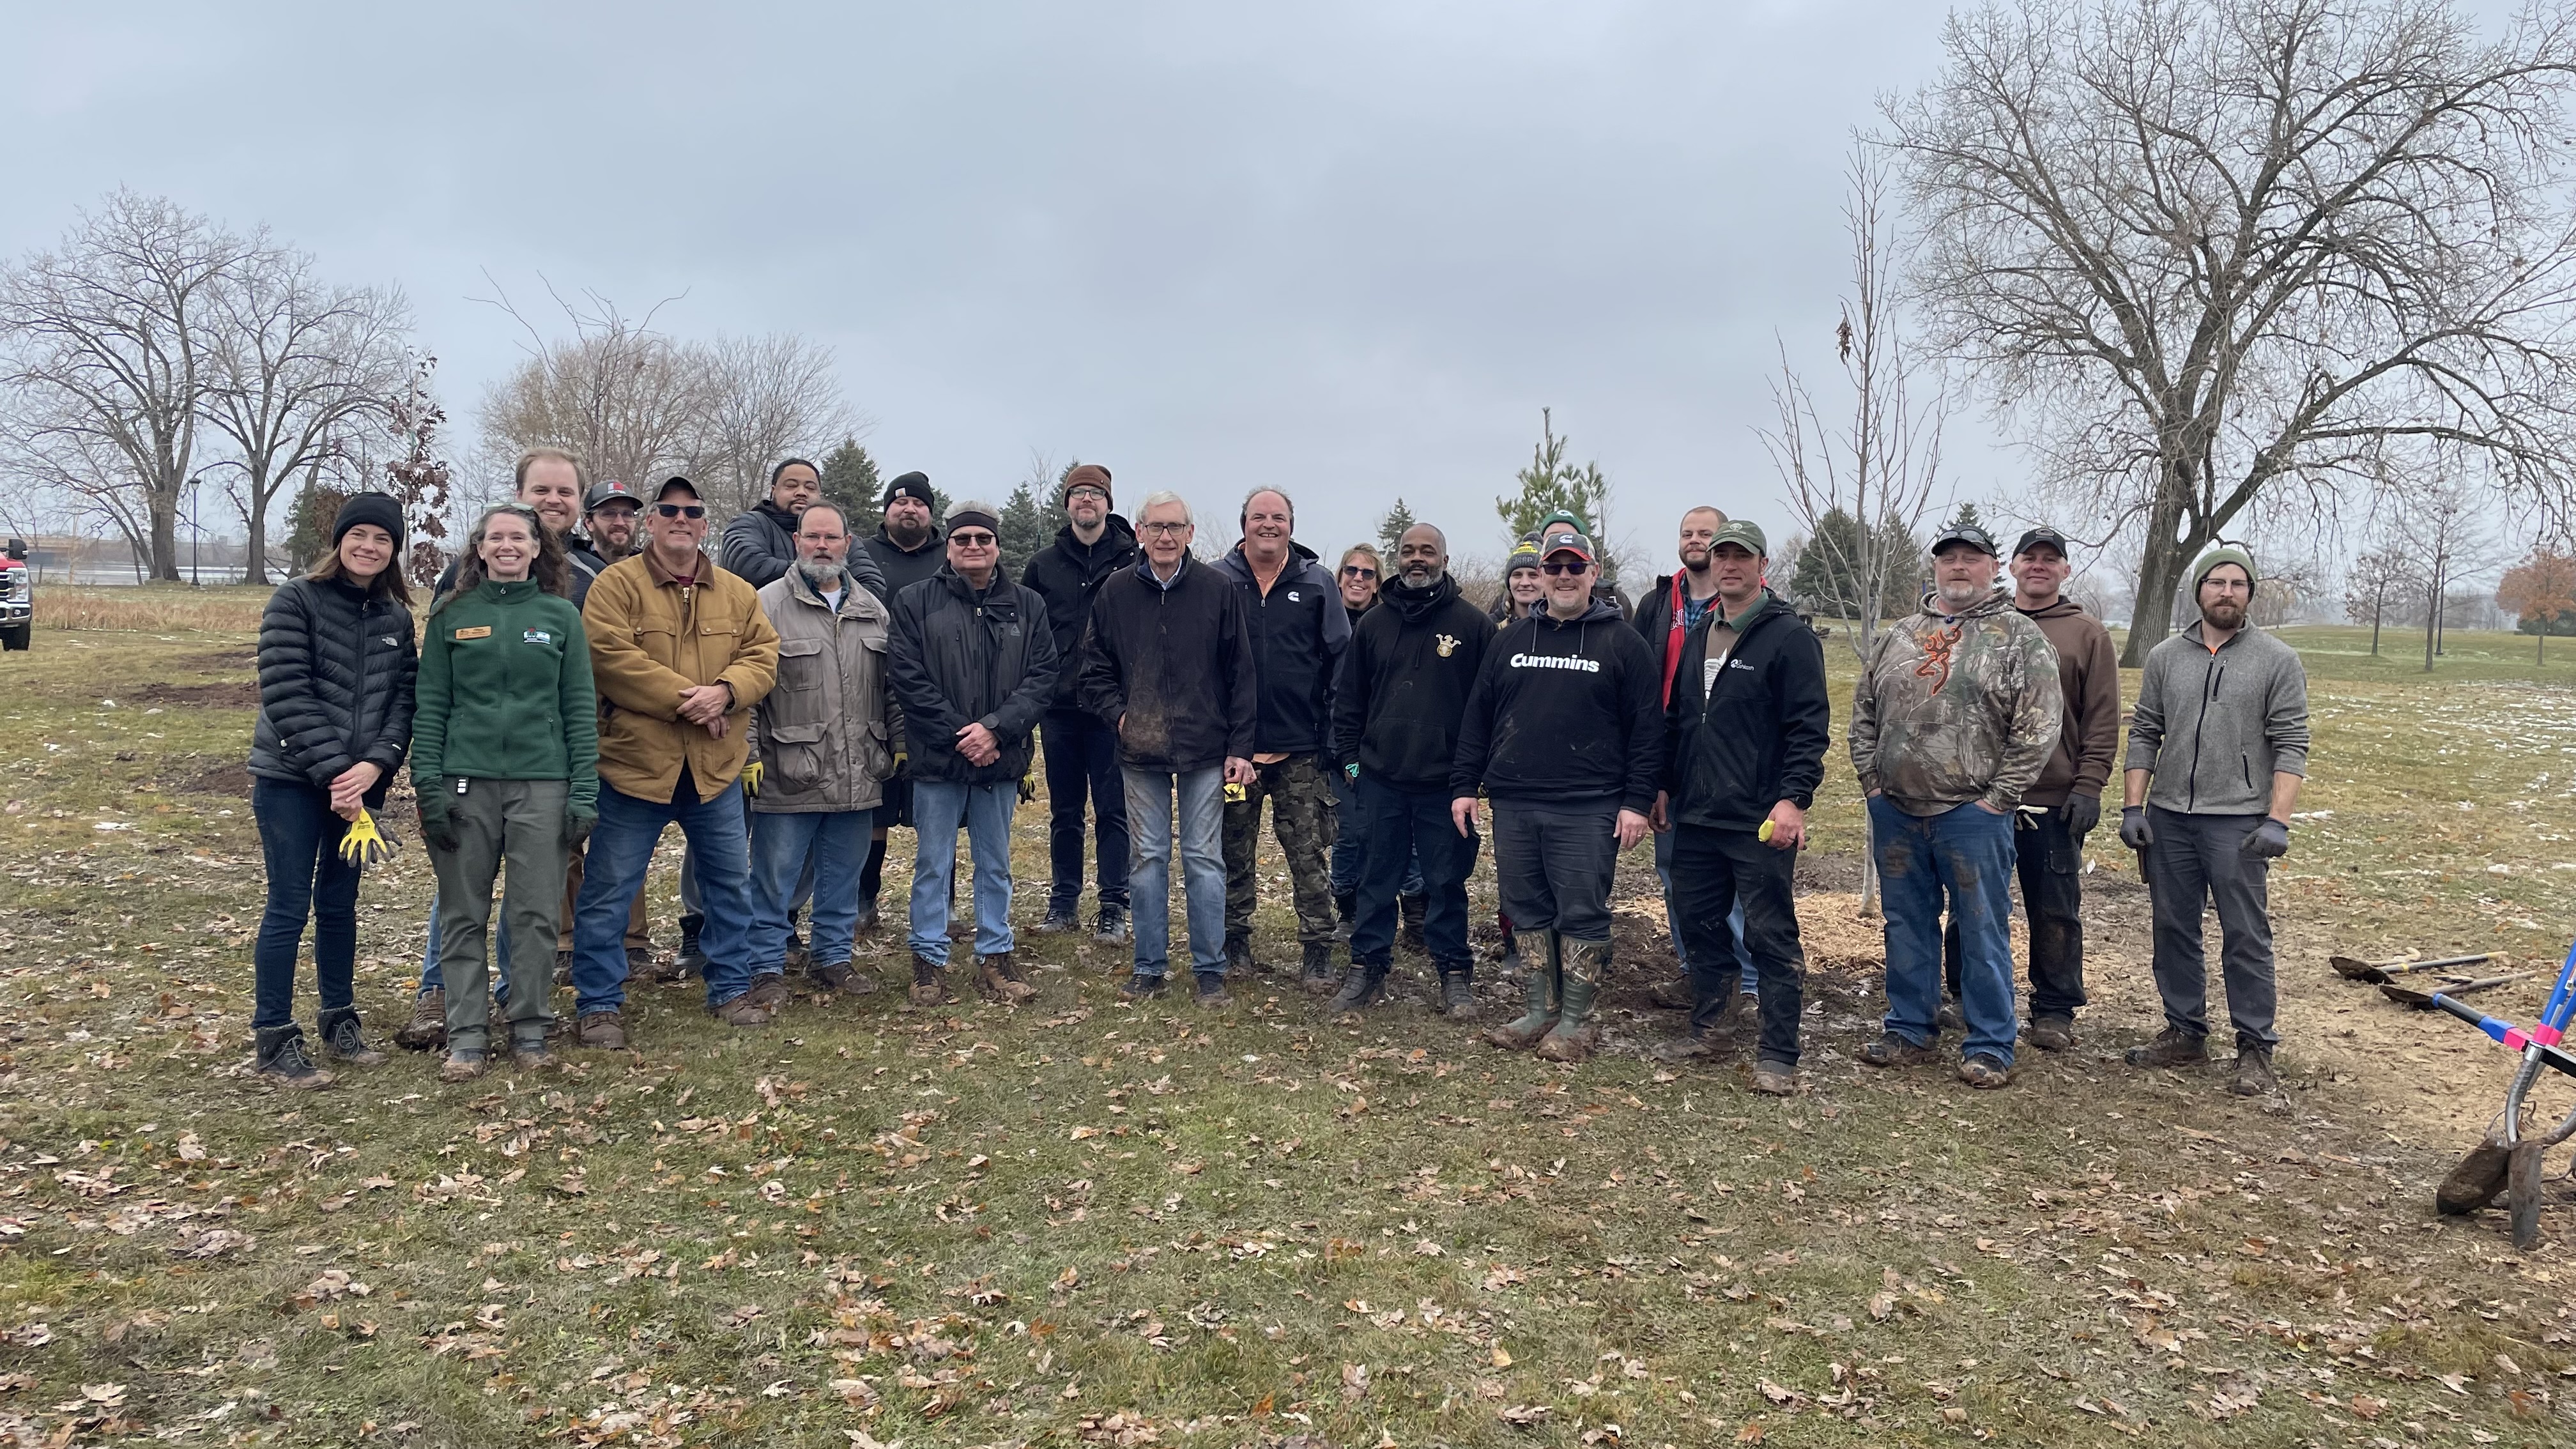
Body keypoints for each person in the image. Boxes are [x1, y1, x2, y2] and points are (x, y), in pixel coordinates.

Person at [399, 449, 622, 1050]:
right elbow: (432, 707)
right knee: (462, 915)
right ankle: (465, 1032)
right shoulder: (452, 614)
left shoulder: (560, 615)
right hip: (465, 784)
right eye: (495, 537)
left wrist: (581, 792)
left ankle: (529, 1027)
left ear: (534, 549)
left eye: (517, 539)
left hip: (541, 785)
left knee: (534, 916)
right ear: (479, 548)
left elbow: (580, 708)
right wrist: (428, 790)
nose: (506, 546)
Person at [566, 477, 781, 1046]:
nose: (681, 519)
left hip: (715, 769)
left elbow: (763, 655)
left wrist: (728, 692)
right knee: (610, 889)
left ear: (705, 525)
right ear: (651, 523)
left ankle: (731, 987)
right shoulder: (616, 586)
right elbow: (609, 657)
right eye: (669, 510)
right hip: (636, 767)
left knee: (731, 885)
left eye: (692, 512)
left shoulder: (738, 593)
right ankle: (599, 1003)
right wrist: (693, 700)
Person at [1849, 522, 2062, 1090]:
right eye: (1949, 559)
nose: (1959, 567)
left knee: (1982, 927)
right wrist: (1872, 782)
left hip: (1973, 814)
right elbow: (1864, 711)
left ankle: (1991, 1041)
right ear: (1936, 567)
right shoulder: (1900, 634)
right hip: (1896, 809)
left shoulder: (2018, 637)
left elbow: (2039, 726)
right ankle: (1910, 1027)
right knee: (1906, 923)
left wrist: (1999, 800)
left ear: (1994, 567)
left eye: (1972, 558)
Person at [1453, 524, 1661, 1064]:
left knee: (1581, 912)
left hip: (1588, 805)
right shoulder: (1511, 641)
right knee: (1527, 910)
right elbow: (1478, 716)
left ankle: (1578, 1019)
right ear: (1540, 576)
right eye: (1554, 568)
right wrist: (1465, 786)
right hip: (1516, 802)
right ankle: (1539, 1009)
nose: (1564, 577)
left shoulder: (1624, 644)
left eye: (1575, 567)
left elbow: (1647, 730)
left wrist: (1637, 801)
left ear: (1594, 573)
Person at [2119, 545, 2310, 1096]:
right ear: (2198, 590)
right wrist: (2135, 806)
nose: (2227, 592)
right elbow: (2145, 731)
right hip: (2170, 818)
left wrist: (2278, 819)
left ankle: (2255, 1047)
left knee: (2245, 934)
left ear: (2250, 594)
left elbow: (2291, 742)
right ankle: (2184, 1031)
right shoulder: (2164, 657)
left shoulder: (2276, 660)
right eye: (2216, 582)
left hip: (2240, 821)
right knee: (2173, 927)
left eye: (2238, 584)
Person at [246, 493, 417, 1087]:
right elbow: (286, 690)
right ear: (340, 540)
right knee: (289, 906)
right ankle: (273, 1036)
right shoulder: (297, 600)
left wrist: (375, 767)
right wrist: (335, 776)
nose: (369, 547)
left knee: (340, 906)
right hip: (291, 780)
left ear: (393, 550)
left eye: (383, 539)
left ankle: (339, 1018)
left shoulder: (396, 616)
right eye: (360, 535)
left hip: (360, 785)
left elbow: (404, 700)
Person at [1652, 521, 1828, 1094]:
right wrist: (1661, 785)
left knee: (1770, 935)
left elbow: (1808, 729)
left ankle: (1778, 1054)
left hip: (1758, 817)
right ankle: (1711, 1026)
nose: (1729, 565)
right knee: (1700, 926)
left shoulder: (1788, 636)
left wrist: (1792, 800)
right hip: (1696, 813)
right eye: (1722, 555)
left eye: (1740, 556)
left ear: (1761, 565)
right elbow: (1680, 720)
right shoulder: (1703, 629)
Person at [1938, 526, 2119, 1051]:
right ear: (2009, 567)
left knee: (2054, 906)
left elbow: (2103, 718)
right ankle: (1963, 994)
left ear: (2065, 570)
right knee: (1971, 902)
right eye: (2028, 557)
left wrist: (2089, 785)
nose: (2038, 565)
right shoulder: (1981, 626)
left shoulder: (2087, 634)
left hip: (2052, 795)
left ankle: (2055, 1008)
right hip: (1975, 794)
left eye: (2050, 559)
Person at [1078, 491, 1256, 1005]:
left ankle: (1210, 972)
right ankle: (1149, 968)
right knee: (1148, 858)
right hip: (1141, 749)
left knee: (1203, 857)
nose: (1165, 537)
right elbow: (1093, 668)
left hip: (1206, 748)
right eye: (1156, 527)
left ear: (1190, 534)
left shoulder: (1217, 590)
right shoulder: (1115, 592)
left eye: (1175, 527)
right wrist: (1120, 714)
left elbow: (1242, 674)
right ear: (1139, 532)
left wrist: (1240, 746)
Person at [889, 500, 1061, 1006]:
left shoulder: (1027, 606)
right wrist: (962, 735)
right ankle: (927, 959)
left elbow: (1042, 677)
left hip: (1000, 759)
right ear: (949, 546)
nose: (973, 547)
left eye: (983, 540)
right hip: (938, 759)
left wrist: (995, 731)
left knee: (996, 862)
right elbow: (907, 677)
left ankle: (995, 953)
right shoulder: (915, 602)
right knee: (932, 862)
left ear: (997, 547)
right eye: (963, 539)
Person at [1330, 523, 1492, 1015]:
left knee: (1445, 883)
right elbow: (1349, 702)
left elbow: (1485, 709)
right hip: (1380, 779)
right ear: (1396, 558)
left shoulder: (1473, 626)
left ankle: (1454, 972)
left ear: (1445, 557)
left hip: (1445, 785)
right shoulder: (1375, 625)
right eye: (1408, 551)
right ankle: (1367, 967)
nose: (1416, 559)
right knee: (1377, 879)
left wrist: (1471, 776)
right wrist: (1353, 765)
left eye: (1427, 551)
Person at [744, 502, 899, 1002]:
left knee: (843, 873)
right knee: (775, 876)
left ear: (848, 544)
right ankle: (766, 965)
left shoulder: (872, 609)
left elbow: (892, 689)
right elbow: (746, 688)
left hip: (859, 768)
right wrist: (748, 754)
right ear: (796, 542)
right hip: (790, 768)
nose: (822, 546)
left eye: (832, 538)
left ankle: (832, 959)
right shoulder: (765, 606)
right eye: (812, 537)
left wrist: (898, 744)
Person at [1212, 487, 1350, 985]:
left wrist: (1333, 735)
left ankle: (1317, 950)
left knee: (1308, 854)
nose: (1268, 524)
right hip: (1235, 755)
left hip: (1300, 751)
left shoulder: (1318, 584)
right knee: (1232, 849)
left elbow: (1340, 663)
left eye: (1278, 517)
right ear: (1243, 522)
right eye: (1258, 517)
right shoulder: (1217, 581)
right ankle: (1234, 944)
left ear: (1292, 524)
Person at [1634, 507, 1760, 1015]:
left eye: (1705, 534)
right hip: (1671, 753)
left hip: (1732, 768)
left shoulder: (1750, 611)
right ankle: (1698, 972)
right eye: (1687, 533)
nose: (1695, 541)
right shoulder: (1658, 603)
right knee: (1675, 875)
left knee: (1731, 880)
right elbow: (1640, 681)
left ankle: (1746, 982)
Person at [1020, 464, 1138, 942]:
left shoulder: (1133, 559)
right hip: (1060, 708)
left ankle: (1113, 903)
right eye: (1077, 493)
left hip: (1114, 709)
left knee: (1113, 810)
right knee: (1065, 810)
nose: (1086, 500)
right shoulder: (1044, 564)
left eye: (1095, 493)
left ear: (1109, 503)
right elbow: (1027, 632)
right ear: (1066, 503)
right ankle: (1063, 901)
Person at [854, 470, 944, 931]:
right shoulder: (863, 557)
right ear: (886, 510)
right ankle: (864, 901)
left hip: (938, 700)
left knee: (939, 811)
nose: (909, 510)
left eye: (919, 504)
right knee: (876, 808)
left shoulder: (949, 559)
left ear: (931, 513)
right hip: (873, 696)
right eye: (899, 502)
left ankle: (939, 907)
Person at [721, 457, 889, 596]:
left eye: (810, 487)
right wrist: (825, 575)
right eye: (791, 485)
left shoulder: (840, 535)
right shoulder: (751, 524)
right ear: (773, 491)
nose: (801, 492)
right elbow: (749, 566)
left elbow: (872, 584)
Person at [579, 479, 642, 565]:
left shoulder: (651, 567)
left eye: (627, 514)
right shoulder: (572, 569)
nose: (620, 522)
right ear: (589, 523)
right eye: (609, 514)